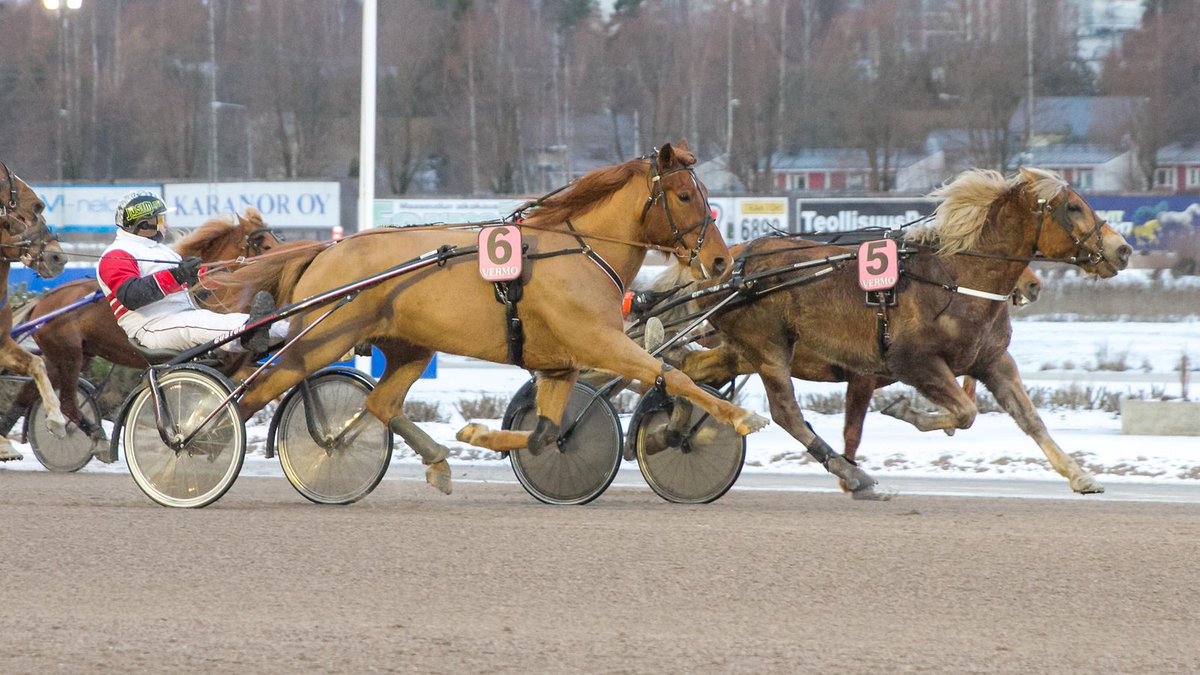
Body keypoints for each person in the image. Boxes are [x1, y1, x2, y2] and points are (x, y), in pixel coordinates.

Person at [97, 191, 285, 355]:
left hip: (180, 316)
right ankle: (253, 335)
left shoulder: (160, 250)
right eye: (161, 220)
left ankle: (287, 328)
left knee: (226, 320)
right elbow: (131, 296)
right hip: (152, 326)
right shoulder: (116, 254)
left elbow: (187, 286)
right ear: (144, 224)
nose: (166, 225)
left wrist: (206, 276)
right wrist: (177, 275)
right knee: (208, 323)